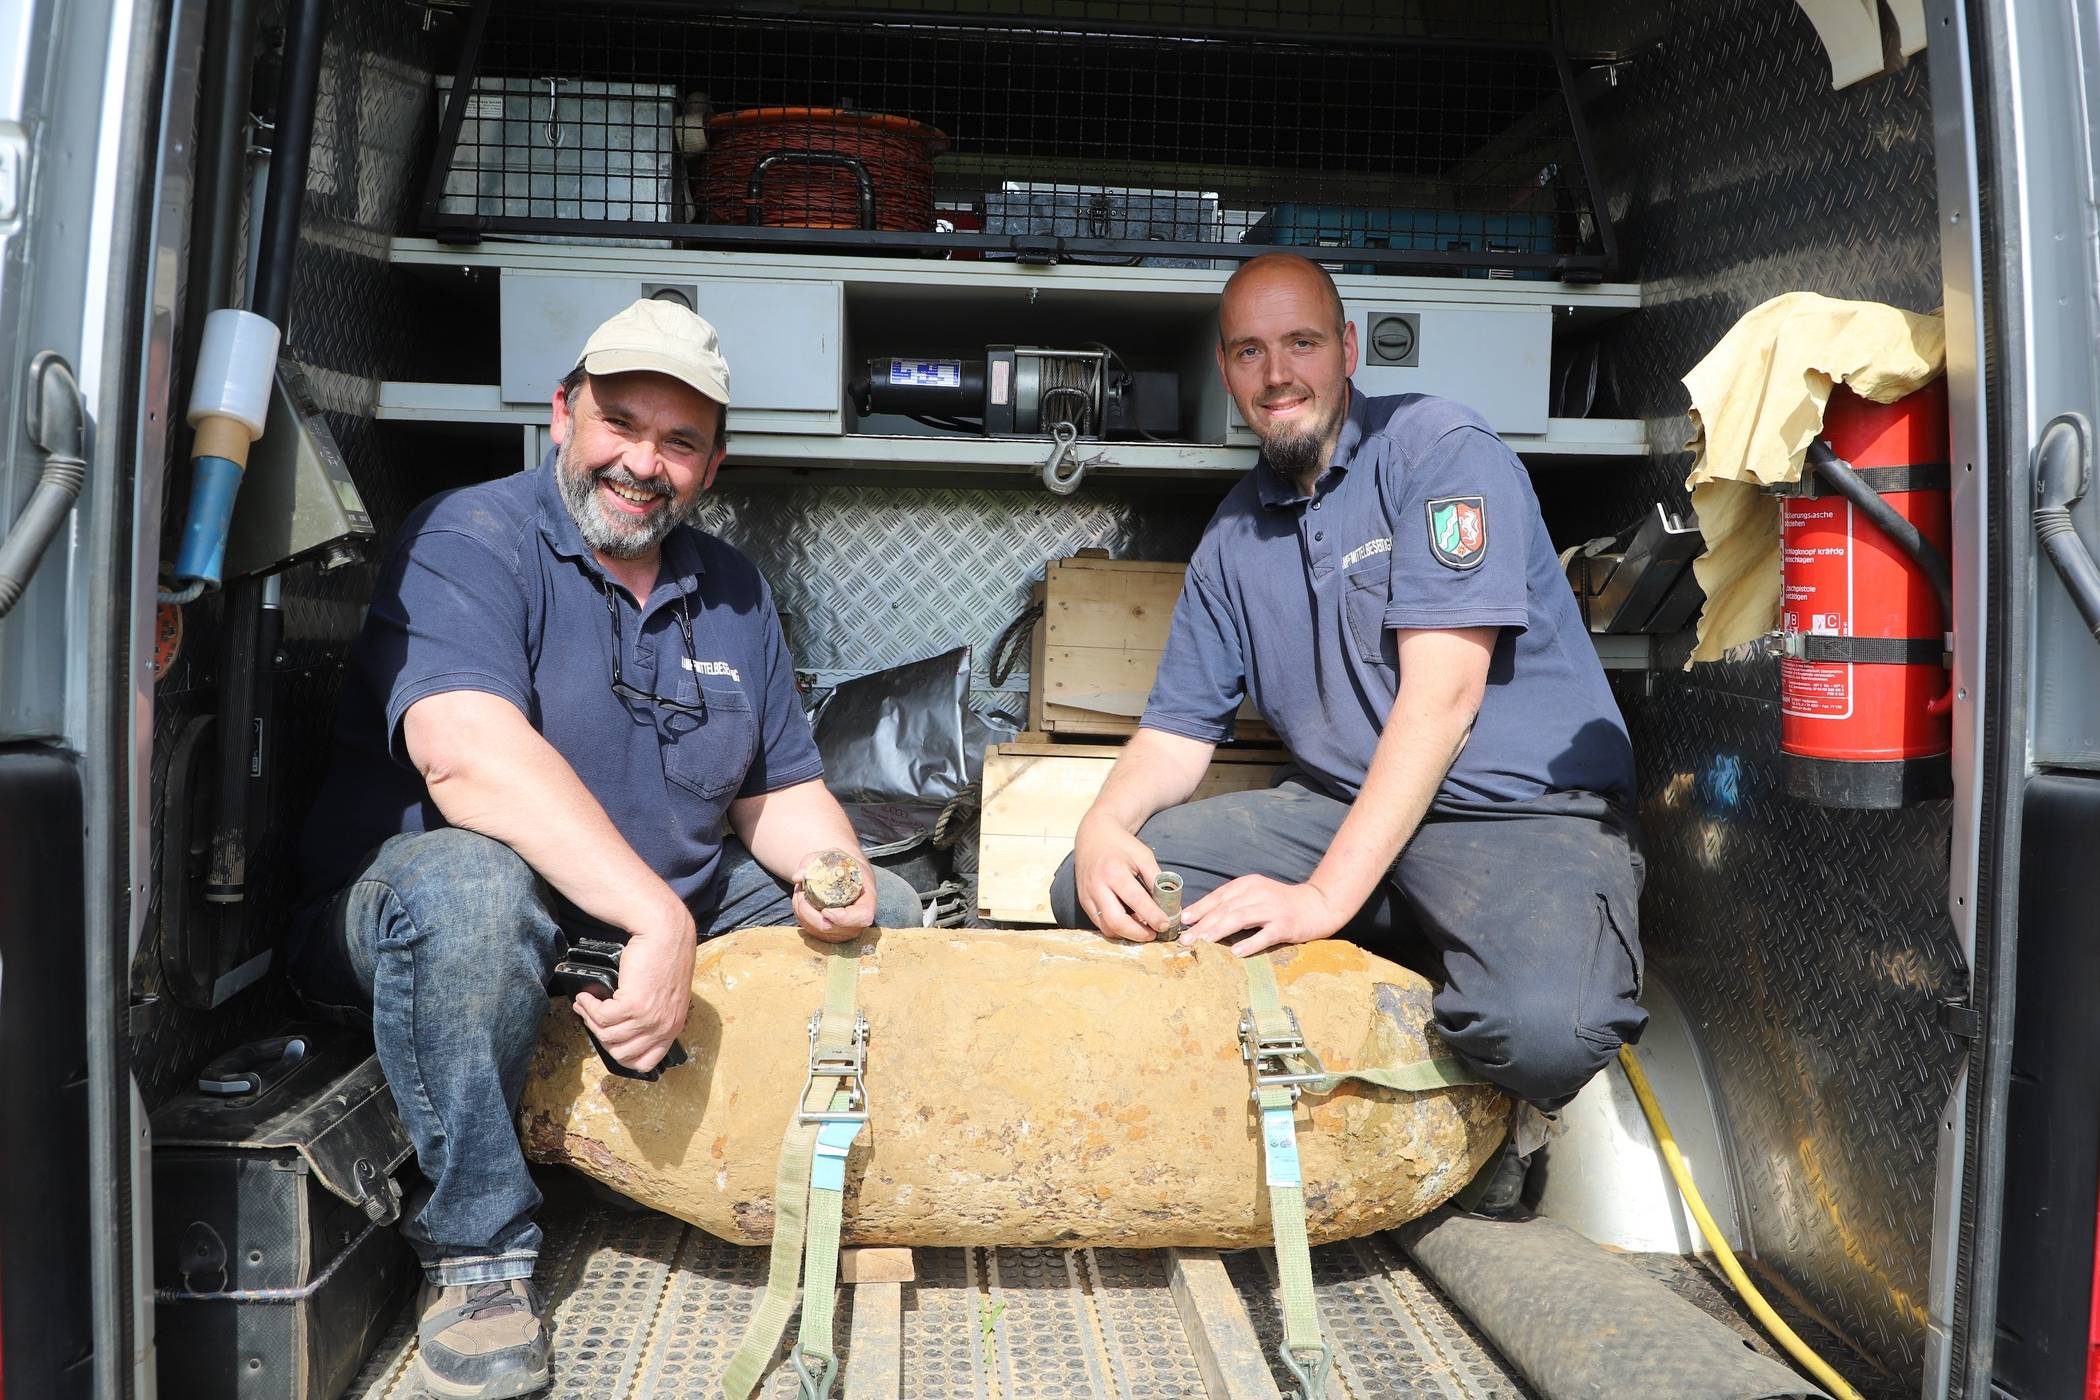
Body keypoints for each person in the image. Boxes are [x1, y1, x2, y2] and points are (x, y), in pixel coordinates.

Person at [290, 298, 919, 1399]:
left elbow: (780, 790)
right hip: (429, 914)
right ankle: (479, 1255)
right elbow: (461, 756)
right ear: (560, 415)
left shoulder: (730, 590)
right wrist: (658, 918)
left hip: (633, 912)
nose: (643, 461)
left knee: (898, 917)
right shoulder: (468, 535)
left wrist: (834, 875)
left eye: (678, 442)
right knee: (473, 892)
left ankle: (812, 1173)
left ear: (713, 463)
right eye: (619, 421)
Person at [1052, 253, 1646, 1202]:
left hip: (1515, 817)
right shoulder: (1233, 539)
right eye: (1251, 350)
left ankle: (1497, 1111)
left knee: (1544, 1032)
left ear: (1349, 350)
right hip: (1345, 811)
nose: (1277, 372)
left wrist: (1323, 900)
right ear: (1227, 370)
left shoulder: (1439, 450)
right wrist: (1099, 829)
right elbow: (1174, 735)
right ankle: (1402, 983)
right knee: (1104, 892)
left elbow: (1443, 700)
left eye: (1301, 343)